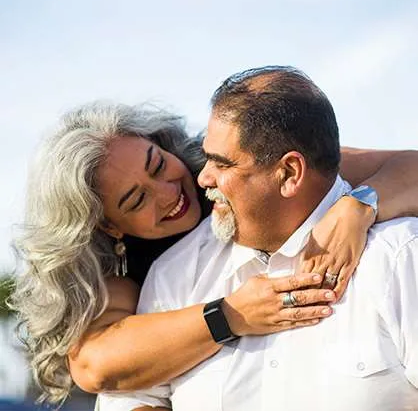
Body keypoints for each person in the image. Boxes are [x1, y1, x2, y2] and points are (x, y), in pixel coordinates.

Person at [10, 95, 418, 407]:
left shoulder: (232, 170)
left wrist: (361, 203)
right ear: (108, 225)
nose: (171, 193)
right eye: (137, 201)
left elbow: (400, 166)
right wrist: (232, 315)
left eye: (157, 165)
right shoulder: (127, 276)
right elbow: (94, 364)